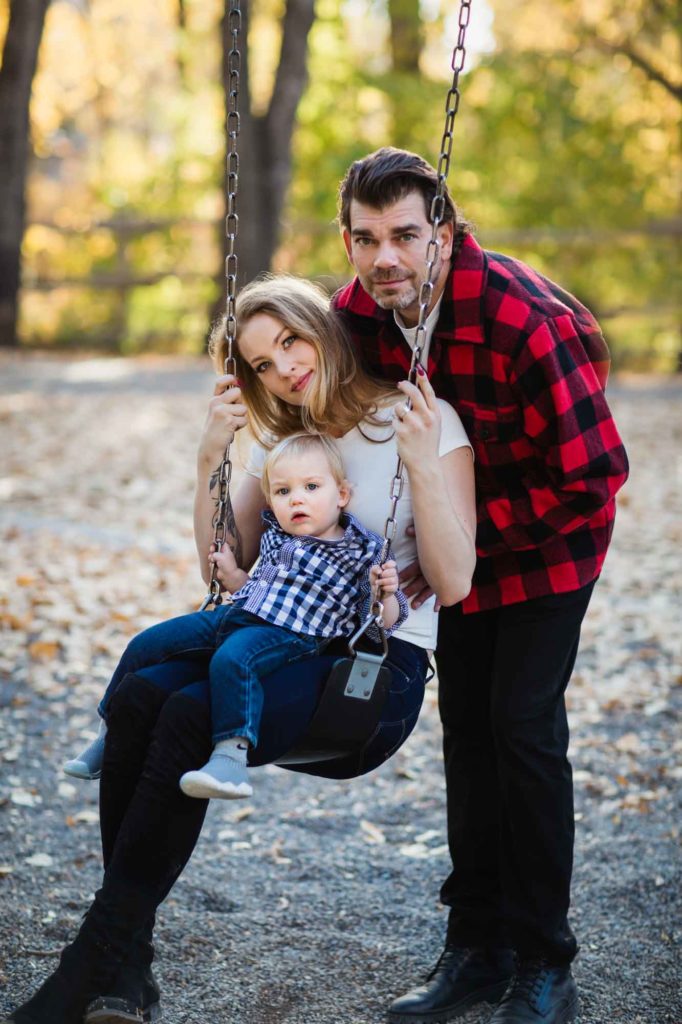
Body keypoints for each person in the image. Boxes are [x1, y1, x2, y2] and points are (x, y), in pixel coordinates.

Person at [2, 275, 476, 1024]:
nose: (283, 367)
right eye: (260, 362)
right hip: (275, 639)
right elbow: (220, 567)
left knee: (189, 710)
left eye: (290, 340)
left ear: (320, 328)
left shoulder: (425, 420)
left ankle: (97, 959)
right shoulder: (283, 445)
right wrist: (209, 460)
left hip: (370, 674)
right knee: (139, 693)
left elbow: (453, 583)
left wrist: (418, 464)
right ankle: (125, 968)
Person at [332, 146, 630, 1024]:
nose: (386, 258)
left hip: (550, 540)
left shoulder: (522, 319)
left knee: (522, 728)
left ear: (445, 233)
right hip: (449, 550)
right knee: (466, 728)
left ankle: (545, 960)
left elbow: (594, 476)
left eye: (406, 236)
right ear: (347, 242)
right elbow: (312, 399)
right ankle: (476, 947)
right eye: (365, 238)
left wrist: (457, 544)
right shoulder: (359, 314)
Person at [65, 431, 408, 801]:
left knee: (234, 660)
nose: (297, 499)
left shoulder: (361, 549)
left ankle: (230, 757)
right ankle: (106, 733)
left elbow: (384, 620)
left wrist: (384, 592)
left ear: (341, 495)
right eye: (282, 491)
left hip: (292, 634)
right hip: (237, 615)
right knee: (147, 644)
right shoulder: (277, 534)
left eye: (311, 486)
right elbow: (257, 587)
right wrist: (232, 576)